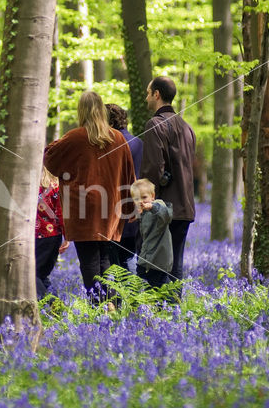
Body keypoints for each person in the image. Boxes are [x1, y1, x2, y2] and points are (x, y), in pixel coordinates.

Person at [44, 91, 136, 302]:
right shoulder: (118, 137)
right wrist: (129, 209)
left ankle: (98, 305)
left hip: (83, 209)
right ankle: (110, 303)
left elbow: (49, 156)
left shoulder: (75, 137)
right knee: (105, 257)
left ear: (81, 111)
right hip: (110, 208)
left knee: (89, 260)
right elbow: (129, 175)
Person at [140, 76, 196, 298]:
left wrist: (145, 200)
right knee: (175, 266)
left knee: (155, 264)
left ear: (157, 94)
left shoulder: (155, 125)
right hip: (185, 207)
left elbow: (153, 168)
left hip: (163, 208)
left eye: (148, 92)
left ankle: (159, 313)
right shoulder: (187, 128)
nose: (146, 97)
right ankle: (174, 314)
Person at [105, 103, 143, 270]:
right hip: (136, 205)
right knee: (129, 255)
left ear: (110, 123)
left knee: (117, 262)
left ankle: (122, 295)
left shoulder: (110, 144)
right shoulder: (139, 143)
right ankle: (132, 293)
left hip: (114, 207)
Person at [130, 179, 173, 289]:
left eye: (144, 197)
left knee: (160, 288)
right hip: (145, 259)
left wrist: (152, 207)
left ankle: (172, 304)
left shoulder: (158, 205)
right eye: (136, 199)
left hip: (158, 261)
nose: (141, 201)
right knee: (143, 287)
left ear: (152, 196)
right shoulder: (142, 213)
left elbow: (167, 214)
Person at [35, 166, 70, 299]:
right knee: (41, 275)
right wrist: (67, 236)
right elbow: (62, 213)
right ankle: (57, 306)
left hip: (37, 236)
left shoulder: (31, 187)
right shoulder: (56, 186)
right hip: (54, 236)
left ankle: (48, 303)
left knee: (32, 274)